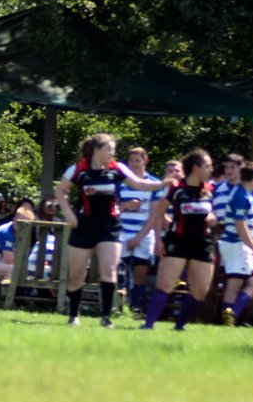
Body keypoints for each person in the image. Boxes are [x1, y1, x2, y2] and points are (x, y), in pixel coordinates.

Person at [54, 132, 168, 327]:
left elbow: (139, 183)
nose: (112, 153)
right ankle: (73, 315)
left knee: (109, 270)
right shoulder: (78, 169)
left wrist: (163, 183)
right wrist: (68, 213)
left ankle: (105, 318)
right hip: (84, 225)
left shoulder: (117, 168)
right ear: (96, 149)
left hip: (110, 225)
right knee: (76, 275)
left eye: (113, 150)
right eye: (109, 149)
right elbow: (60, 190)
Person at [141, 150, 215, 330]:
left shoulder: (210, 189)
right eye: (207, 166)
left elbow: (214, 213)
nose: (211, 169)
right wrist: (159, 239)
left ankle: (179, 326)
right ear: (196, 167)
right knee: (164, 285)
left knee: (200, 291)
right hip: (178, 241)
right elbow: (159, 211)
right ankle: (148, 325)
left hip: (202, 243)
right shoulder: (177, 189)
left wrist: (212, 218)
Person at [218, 160, 253, 326]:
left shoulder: (247, 194)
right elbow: (240, 226)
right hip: (235, 244)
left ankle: (231, 315)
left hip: (241, 245)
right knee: (235, 283)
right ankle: (227, 321)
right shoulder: (240, 196)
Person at [118, 146, 166, 315]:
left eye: (137, 160)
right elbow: (113, 207)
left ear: (145, 161)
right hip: (122, 231)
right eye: (131, 160)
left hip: (143, 234)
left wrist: (139, 237)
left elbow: (155, 214)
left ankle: (136, 308)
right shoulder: (122, 182)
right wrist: (125, 205)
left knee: (140, 273)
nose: (134, 164)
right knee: (120, 271)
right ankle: (118, 306)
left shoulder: (153, 183)